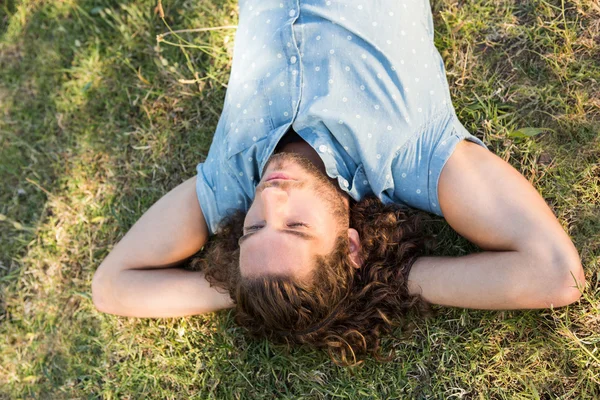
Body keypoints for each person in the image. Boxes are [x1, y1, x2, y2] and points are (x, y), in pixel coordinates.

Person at [92, 0, 586, 365]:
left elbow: (111, 288)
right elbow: (557, 276)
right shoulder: (412, 155)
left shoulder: (232, 182)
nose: (271, 199)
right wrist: (398, 277)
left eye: (253, 230)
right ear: (352, 247)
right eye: (295, 228)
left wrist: (241, 289)